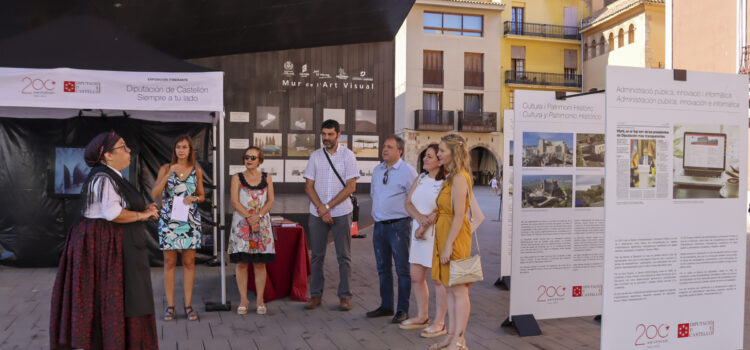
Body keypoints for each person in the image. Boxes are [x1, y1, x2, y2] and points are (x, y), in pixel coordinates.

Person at [50, 131, 159, 349]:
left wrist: (144, 209)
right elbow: (113, 214)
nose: (128, 151)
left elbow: (115, 207)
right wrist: (143, 215)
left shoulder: (111, 176)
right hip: (101, 246)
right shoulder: (103, 178)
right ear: (108, 156)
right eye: (123, 147)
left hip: (104, 243)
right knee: (108, 297)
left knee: (110, 296)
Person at [303, 119, 359, 311]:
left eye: (330, 134)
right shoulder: (316, 156)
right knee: (317, 256)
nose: (326, 138)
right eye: (323, 134)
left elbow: (351, 186)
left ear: (338, 135)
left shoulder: (348, 156)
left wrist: (327, 206)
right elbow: (308, 186)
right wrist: (321, 208)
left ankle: (345, 296)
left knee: (344, 256)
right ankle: (315, 295)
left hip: (342, 212)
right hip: (317, 213)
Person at [152, 135, 205, 321]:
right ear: (174, 150)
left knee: (189, 263)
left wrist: (195, 199)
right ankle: (170, 306)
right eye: (178, 147)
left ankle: (189, 305)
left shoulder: (196, 170)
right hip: (169, 219)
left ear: (190, 150)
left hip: (190, 219)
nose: (181, 150)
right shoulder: (165, 168)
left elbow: (202, 195)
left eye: (185, 147)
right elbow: (155, 193)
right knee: (169, 262)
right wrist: (169, 174)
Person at [367, 135, 418, 323]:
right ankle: (386, 306)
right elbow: (374, 194)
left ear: (400, 151)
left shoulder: (408, 171)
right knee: (382, 268)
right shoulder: (377, 170)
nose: (384, 149)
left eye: (389, 146)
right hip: (379, 226)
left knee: (402, 269)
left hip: (399, 227)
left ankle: (403, 309)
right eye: (384, 146)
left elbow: (413, 198)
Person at [399, 143, 448, 338]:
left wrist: (425, 225)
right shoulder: (420, 178)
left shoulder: (447, 182)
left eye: (430, 156)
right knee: (416, 276)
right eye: (425, 156)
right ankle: (422, 316)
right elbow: (408, 202)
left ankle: (440, 322)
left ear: (439, 160)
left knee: (438, 280)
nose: (425, 159)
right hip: (418, 232)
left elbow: (442, 208)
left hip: (436, 233)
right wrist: (419, 221)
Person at [432, 133, 474, 350]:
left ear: (453, 153)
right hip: (445, 235)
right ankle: (451, 336)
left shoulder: (459, 178)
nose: (438, 154)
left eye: (442, 150)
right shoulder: (451, 177)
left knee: (459, 289)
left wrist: (448, 245)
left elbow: (459, 215)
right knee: (449, 287)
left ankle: (459, 339)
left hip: (455, 238)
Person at [228, 146, 276, 315]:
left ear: (260, 160)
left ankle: (260, 300)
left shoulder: (267, 177)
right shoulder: (237, 177)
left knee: (259, 263)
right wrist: (250, 218)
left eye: (253, 157)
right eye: (246, 157)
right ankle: (243, 299)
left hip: (261, 223)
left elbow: (270, 201)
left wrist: (259, 216)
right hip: (242, 223)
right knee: (242, 263)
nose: (249, 160)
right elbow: (234, 201)